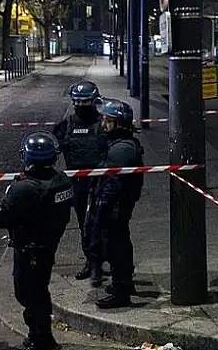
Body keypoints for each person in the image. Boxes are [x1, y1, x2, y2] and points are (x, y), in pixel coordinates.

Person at [0, 132, 73, 350]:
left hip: (30, 249)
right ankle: (41, 336)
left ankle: (41, 339)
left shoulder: (25, 188)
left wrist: (9, 197)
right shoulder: (62, 180)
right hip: (49, 244)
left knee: (28, 293)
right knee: (39, 289)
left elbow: (0, 218)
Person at [52, 81, 107, 285]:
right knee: (84, 223)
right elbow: (54, 148)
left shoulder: (103, 123)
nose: (81, 106)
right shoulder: (66, 125)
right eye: (78, 102)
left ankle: (106, 260)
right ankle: (92, 261)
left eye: (85, 102)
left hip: (101, 181)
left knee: (103, 223)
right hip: (78, 183)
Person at [93, 98, 144, 309]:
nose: (103, 125)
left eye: (108, 121)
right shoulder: (122, 144)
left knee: (115, 247)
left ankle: (121, 291)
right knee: (121, 242)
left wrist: (100, 211)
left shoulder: (121, 150)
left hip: (116, 206)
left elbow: (112, 185)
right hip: (120, 204)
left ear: (120, 124)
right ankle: (125, 283)